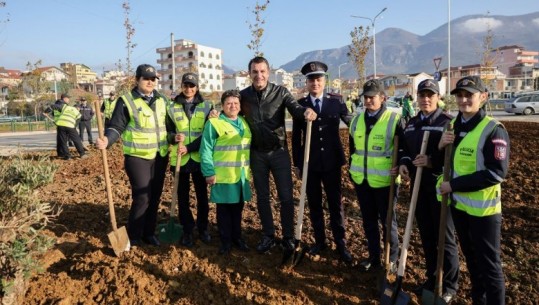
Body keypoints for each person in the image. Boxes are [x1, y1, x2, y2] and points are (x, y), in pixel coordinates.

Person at [438, 76, 509, 305]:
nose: (464, 99)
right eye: (460, 95)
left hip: (484, 212)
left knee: (490, 265)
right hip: (460, 208)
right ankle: (480, 300)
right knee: (472, 260)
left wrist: (453, 186)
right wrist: (441, 146)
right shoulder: (453, 127)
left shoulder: (493, 130)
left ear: (483, 97)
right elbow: (449, 165)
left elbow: (496, 173)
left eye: (469, 95)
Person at [239, 56, 317, 257]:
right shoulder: (243, 96)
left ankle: (288, 237)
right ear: (250, 74)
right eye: (255, 72)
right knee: (263, 197)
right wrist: (216, 114)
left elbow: (295, 109)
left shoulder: (280, 92)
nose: (259, 75)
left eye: (263, 71)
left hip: (279, 152)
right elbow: (229, 111)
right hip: (257, 153)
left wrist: (306, 111)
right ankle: (268, 235)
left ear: (269, 72)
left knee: (286, 197)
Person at [95, 64, 170, 247]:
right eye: (146, 79)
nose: (150, 82)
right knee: (142, 197)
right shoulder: (126, 101)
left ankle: (149, 233)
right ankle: (134, 235)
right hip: (137, 157)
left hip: (160, 155)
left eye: (153, 79)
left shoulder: (162, 100)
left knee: (154, 196)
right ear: (137, 80)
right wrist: (107, 140)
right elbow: (116, 126)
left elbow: (170, 124)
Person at [398, 79, 459, 302]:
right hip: (418, 185)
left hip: (439, 187)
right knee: (426, 234)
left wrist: (431, 160)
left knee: (445, 235)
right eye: (422, 95)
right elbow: (405, 147)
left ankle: (450, 284)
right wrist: (404, 162)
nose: (425, 99)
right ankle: (433, 276)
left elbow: (453, 157)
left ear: (438, 97)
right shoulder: (412, 123)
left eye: (430, 95)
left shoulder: (447, 122)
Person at [291, 61, 353, 263]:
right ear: (306, 83)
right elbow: (296, 139)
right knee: (315, 204)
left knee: (336, 205)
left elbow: (353, 125)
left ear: (324, 80)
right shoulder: (300, 105)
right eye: (311, 80)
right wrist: (298, 165)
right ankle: (320, 241)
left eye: (318, 79)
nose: (315, 83)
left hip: (332, 163)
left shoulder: (336, 101)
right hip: (311, 164)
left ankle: (341, 243)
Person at [349, 79, 404, 272]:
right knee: (369, 221)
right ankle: (374, 256)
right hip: (362, 180)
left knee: (389, 222)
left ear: (383, 98)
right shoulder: (356, 121)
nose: (368, 100)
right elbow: (352, 149)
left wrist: (400, 165)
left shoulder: (394, 120)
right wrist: (351, 170)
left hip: (385, 182)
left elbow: (404, 149)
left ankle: (392, 260)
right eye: (366, 97)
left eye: (372, 97)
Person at [200, 90, 251, 255]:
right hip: (223, 176)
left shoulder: (244, 122)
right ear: (222, 106)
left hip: (241, 177)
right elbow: (206, 149)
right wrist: (208, 172)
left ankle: (238, 238)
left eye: (236, 103)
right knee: (224, 211)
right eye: (229, 103)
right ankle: (225, 241)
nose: (233, 106)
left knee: (238, 209)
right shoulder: (214, 123)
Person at [167, 72, 213, 247]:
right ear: (182, 86)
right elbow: (168, 132)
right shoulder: (171, 108)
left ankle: (202, 228)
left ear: (197, 87)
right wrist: (173, 138)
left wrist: (190, 147)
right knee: (183, 198)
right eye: (186, 85)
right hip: (180, 159)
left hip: (199, 158)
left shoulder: (207, 106)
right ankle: (187, 230)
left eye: (192, 86)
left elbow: (208, 134)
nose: (189, 89)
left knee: (202, 197)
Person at [45, 93, 88, 160]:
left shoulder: (64, 107)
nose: (69, 100)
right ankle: (82, 154)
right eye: (68, 98)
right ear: (64, 99)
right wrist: (74, 125)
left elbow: (52, 107)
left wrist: (46, 112)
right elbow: (79, 117)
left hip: (61, 125)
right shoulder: (69, 107)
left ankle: (67, 156)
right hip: (70, 126)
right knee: (76, 140)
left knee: (63, 141)